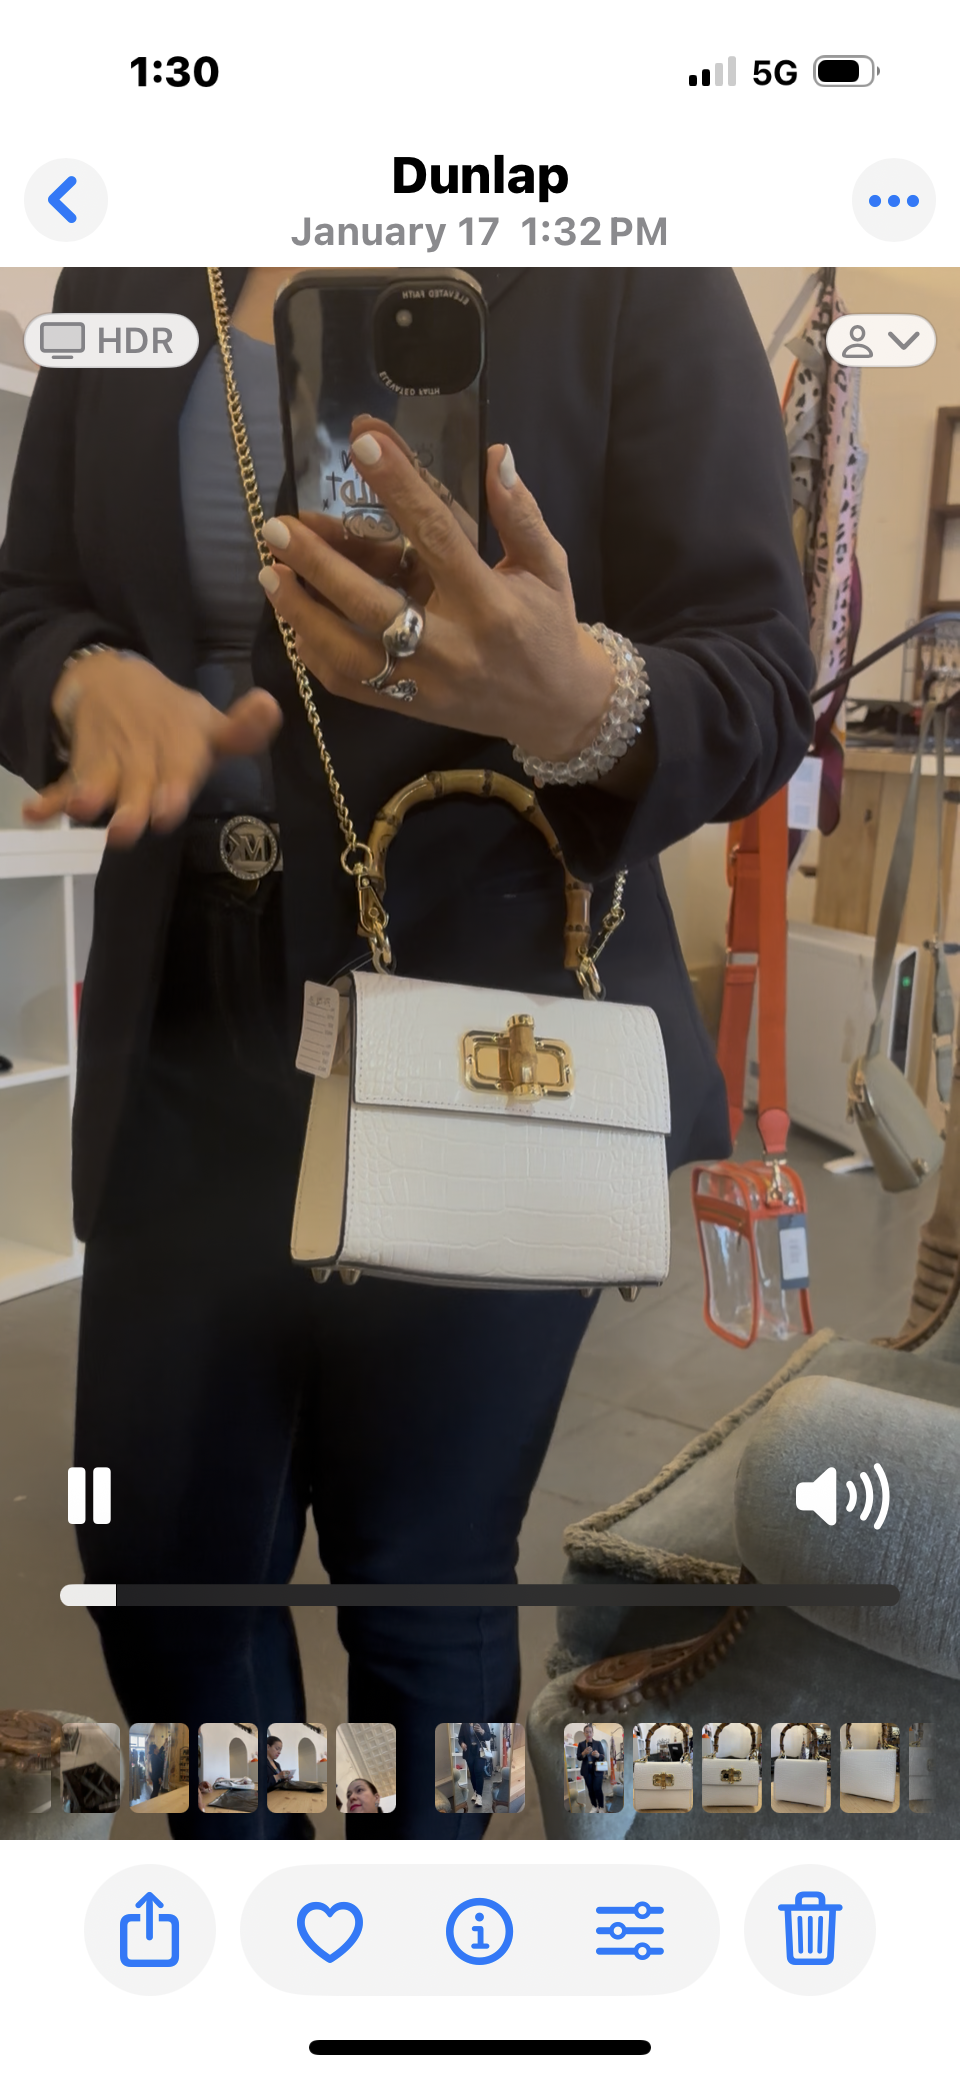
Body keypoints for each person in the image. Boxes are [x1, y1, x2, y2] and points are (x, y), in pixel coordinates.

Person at [0, 265, 815, 1844]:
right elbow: (26, 594)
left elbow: (760, 674)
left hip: (493, 1041)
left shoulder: (623, 259)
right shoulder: (137, 247)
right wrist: (79, 677)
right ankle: (244, 1906)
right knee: (162, 1580)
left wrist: (585, 699)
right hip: (186, 1031)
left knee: (428, 1584)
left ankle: (421, 1933)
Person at [458, 1721, 493, 1808]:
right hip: (469, 1752)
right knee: (472, 1773)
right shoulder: (464, 1724)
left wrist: (482, 1731)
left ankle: (479, 1797)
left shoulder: (483, 1723)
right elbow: (460, 1738)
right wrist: (462, 1743)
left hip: (480, 1752)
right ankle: (475, 1792)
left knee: (478, 1772)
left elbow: (488, 1736)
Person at [576, 1724, 607, 1812]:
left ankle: (601, 1806)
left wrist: (598, 1755)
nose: (588, 1734)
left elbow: (603, 1756)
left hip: (597, 1770)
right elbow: (578, 1757)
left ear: (593, 1733)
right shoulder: (581, 1744)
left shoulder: (598, 1743)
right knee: (590, 1789)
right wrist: (583, 1753)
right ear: (584, 1733)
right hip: (586, 1770)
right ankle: (594, 1806)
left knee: (597, 1788)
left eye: (590, 1732)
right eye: (586, 1732)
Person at [147, 1735, 166, 1801]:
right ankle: (151, 1802)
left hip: (156, 1776)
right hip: (156, 1777)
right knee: (155, 1791)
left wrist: (164, 1743)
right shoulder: (154, 1758)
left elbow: (160, 1751)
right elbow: (156, 1769)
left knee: (156, 1791)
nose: (158, 1749)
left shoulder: (155, 1755)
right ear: (155, 1749)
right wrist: (159, 1778)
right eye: (157, 1748)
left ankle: (152, 1802)